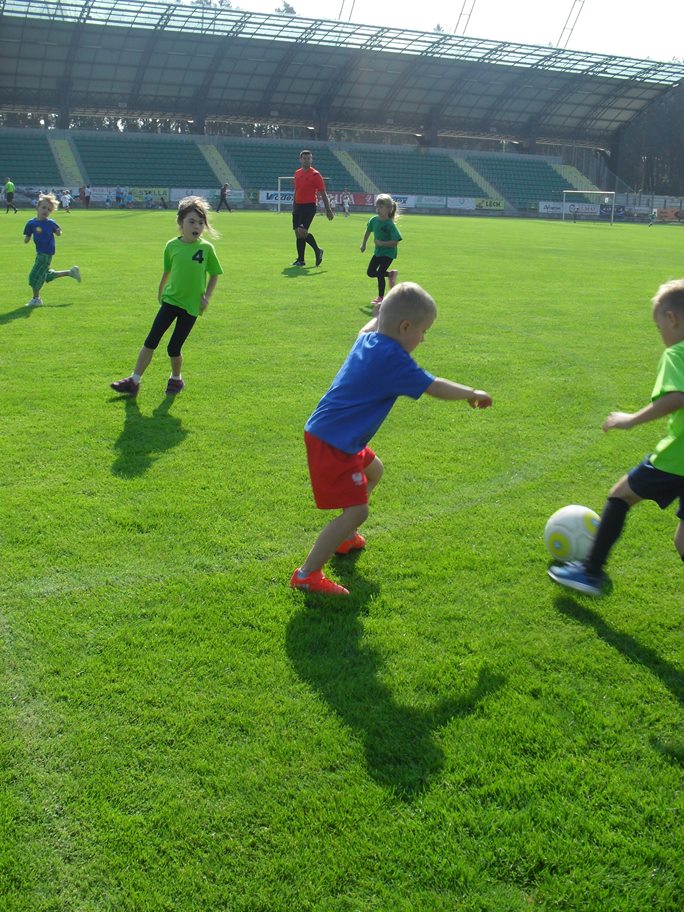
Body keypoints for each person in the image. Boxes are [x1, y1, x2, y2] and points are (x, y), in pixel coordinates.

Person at [290, 282, 493, 596]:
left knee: (375, 471)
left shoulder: (370, 340)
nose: (423, 339)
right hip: (334, 441)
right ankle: (307, 574)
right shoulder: (394, 360)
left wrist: (378, 314)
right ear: (405, 327)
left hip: (335, 433)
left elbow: (366, 327)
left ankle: (345, 536)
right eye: (423, 332)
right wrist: (471, 393)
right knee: (358, 510)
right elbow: (434, 386)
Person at [549, 278, 684, 597]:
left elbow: (677, 396)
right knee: (682, 542)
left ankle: (590, 572)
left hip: (677, 458)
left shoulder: (677, 353)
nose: (661, 336)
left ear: (672, 318)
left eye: (659, 328)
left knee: (620, 495)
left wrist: (631, 420)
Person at [110, 196, 223, 398]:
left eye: (200, 223)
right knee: (151, 340)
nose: (196, 226)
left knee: (173, 347)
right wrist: (160, 290)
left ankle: (176, 379)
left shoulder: (206, 249)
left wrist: (207, 296)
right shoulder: (171, 246)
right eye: (191, 221)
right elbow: (168, 270)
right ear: (180, 223)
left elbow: (215, 273)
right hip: (171, 300)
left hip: (191, 305)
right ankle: (133, 381)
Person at [23, 193, 81, 307]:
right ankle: (71, 272)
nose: (46, 211)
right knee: (46, 274)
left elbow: (58, 231)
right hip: (40, 252)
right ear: (37, 207)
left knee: (34, 276)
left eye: (49, 209)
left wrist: (58, 232)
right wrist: (27, 239)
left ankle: (36, 299)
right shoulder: (31, 223)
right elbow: (28, 235)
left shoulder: (50, 223)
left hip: (46, 253)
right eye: (44, 207)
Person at [291, 149, 333, 267]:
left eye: (308, 158)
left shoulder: (315, 175)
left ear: (311, 160)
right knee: (298, 233)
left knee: (302, 231)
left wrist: (328, 209)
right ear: (300, 160)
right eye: (304, 158)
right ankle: (301, 260)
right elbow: (296, 190)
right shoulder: (297, 173)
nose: (306, 160)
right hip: (297, 206)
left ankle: (317, 250)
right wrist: (294, 204)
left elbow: (323, 193)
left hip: (309, 206)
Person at [360, 193, 402, 312]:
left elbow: (395, 242)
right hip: (378, 252)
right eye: (377, 207)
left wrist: (382, 243)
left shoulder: (390, 224)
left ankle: (381, 297)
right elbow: (368, 231)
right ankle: (390, 275)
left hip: (389, 253)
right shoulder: (373, 220)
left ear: (389, 209)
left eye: (381, 207)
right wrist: (363, 244)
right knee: (370, 272)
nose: (378, 209)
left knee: (379, 273)